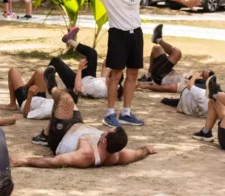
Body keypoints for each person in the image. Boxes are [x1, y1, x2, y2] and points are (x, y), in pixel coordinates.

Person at [76, 0, 201, 127]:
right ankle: (110, 114)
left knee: (133, 75)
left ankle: (126, 112)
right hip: (117, 35)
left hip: (135, 34)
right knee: (116, 75)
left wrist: (185, 1)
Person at [11, 68, 157, 168]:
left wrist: (24, 161)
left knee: (66, 99)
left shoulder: (86, 155)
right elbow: (137, 153)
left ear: (105, 139)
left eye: (106, 131)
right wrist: (148, 149)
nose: (104, 131)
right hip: (77, 124)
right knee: (69, 98)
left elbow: (55, 162)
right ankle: (46, 131)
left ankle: (52, 88)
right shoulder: (118, 153)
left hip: (60, 136)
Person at [48, 27, 119, 100]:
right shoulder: (114, 85)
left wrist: (79, 69)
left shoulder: (99, 89)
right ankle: (69, 40)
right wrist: (109, 58)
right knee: (92, 53)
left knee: (55, 61)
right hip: (89, 78)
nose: (107, 74)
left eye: (109, 75)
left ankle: (50, 86)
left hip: (75, 83)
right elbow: (104, 71)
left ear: (112, 80)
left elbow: (78, 89)